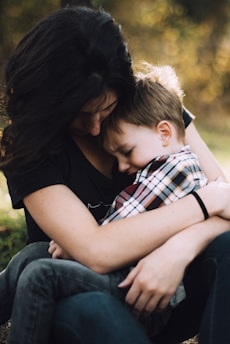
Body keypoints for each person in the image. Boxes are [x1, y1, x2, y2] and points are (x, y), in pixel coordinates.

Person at [1, 6, 230, 344]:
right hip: (81, 300)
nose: (95, 127)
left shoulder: (146, 108)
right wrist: (204, 202)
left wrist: (178, 249)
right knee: (91, 308)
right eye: (79, 114)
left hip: (163, 291)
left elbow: (226, 201)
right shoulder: (31, 148)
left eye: (105, 109)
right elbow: (96, 251)